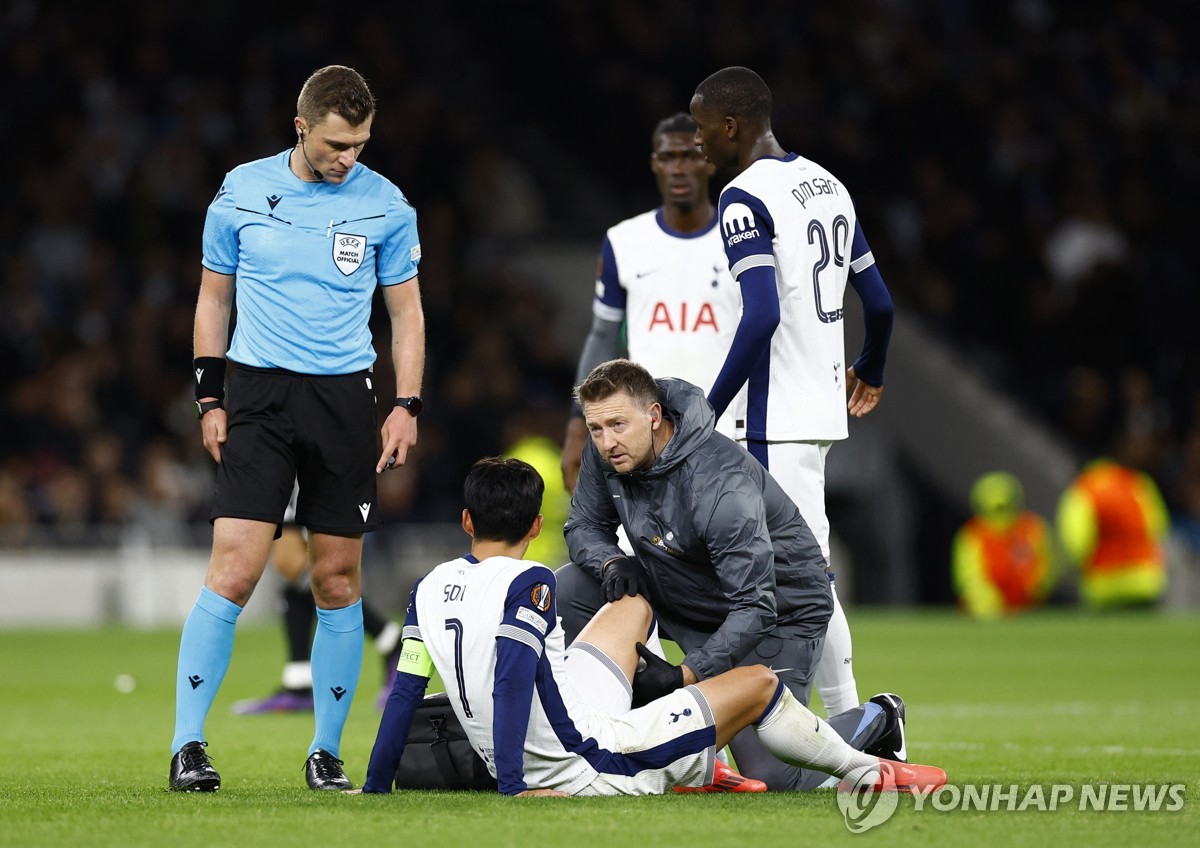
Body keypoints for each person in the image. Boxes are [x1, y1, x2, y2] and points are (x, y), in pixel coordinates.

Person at [362, 457, 945, 796]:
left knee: (634, 604)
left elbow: (406, 689)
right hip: (586, 760)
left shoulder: (427, 588)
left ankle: (686, 739)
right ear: (537, 525)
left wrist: (375, 785)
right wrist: (515, 790)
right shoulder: (531, 582)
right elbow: (514, 680)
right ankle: (869, 769)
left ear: (466, 521)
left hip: (566, 714)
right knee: (760, 682)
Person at [169, 64, 426, 793]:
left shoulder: (386, 205)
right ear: (302, 127)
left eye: (362, 144)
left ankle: (325, 753)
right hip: (257, 396)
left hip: (345, 401)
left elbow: (406, 314)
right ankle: (188, 745)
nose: (351, 158)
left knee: (338, 578)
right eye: (339, 144)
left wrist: (405, 405)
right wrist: (209, 398)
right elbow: (212, 299)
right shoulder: (241, 190)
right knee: (236, 569)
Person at [557, 359, 908, 791]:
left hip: (777, 614)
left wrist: (685, 674)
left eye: (617, 425)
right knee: (571, 587)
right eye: (596, 429)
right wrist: (611, 562)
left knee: (774, 776)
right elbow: (584, 526)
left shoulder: (721, 484)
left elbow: (755, 605)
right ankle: (617, 736)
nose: (606, 442)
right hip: (683, 589)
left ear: (653, 417)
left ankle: (878, 717)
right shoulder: (609, 451)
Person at [688, 66, 896, 719]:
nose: (698, 147)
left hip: (772, 418)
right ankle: (837, 720)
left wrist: (705, 411)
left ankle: (854, 722)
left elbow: (761, 316)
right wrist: (873, 367)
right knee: (796, 567)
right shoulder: (828, 184)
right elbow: (882, 304)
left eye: (700, 131)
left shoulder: (744, 199)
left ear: (730, 126)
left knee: (807, 575)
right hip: (819, 407)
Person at [560, 112, 741, 493]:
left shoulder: (740, 238)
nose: (679, 167)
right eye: (668, 157)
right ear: (654, 163)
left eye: (690, 156)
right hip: (646, 436)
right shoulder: (624, 241)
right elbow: (603, 337)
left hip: (728, 431)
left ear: (709, 161)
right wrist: (578, 424)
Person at [230, 486, 403, 714]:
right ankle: (299, 682)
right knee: (295, 570)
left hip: (303, 465)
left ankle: (391, 642)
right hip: (286, 466)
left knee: (297, 565)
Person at [1056, 457, 1169, 609]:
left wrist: (1078, 565)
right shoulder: (1137, 481)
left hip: (1104, 582)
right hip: (1144, 578)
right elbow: (1158, 525)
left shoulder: (1083, 489)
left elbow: (1076, 540)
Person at [952, 472, 1055, 619]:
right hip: (987, 608)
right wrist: (980, 593)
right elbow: (968, 574)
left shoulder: (1032, 528)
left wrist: (1035, 587)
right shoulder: (973, 534)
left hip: (1027, 605)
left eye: (1004, 507)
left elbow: (1046, 565)